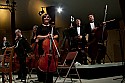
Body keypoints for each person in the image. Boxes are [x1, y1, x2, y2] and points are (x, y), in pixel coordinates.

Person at [36, 14, 59, 83]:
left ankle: (50, 80)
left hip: (51, 48)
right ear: (43, 19)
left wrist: (52, 37)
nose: (46, 18)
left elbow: (57, 35)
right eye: (45, 17)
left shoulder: (52, 27)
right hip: (43, 49)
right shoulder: (40, 27)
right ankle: (43, 80)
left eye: (48, 17)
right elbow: (38, 36)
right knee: (42, 67)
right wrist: (46, 36)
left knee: (50, 68)